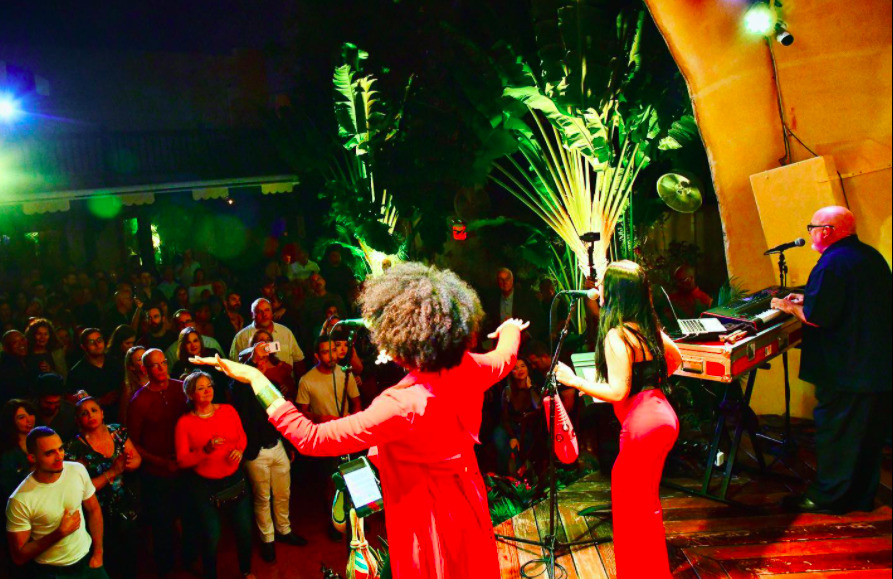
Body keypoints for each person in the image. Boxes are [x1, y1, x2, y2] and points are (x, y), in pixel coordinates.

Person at [193, 262, 527, 579]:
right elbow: (505, 356)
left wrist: (256, 379)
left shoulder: (400, 404)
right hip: (467, 500)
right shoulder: (472, 367)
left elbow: (310, 437)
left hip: (424, 513)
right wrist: (511, 329)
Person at [552, 260, 681, 579]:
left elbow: (617, 391)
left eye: (603, 284)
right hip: (663, 416)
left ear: (615, 292)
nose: (598, 289)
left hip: (641, 425)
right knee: (647, 507)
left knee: (628, 510)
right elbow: (676, 359)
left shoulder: (618, 335)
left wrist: (574, 381)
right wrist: (651, 383)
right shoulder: (647, 326)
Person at [770, 206, 892, 514]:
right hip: (875, 367)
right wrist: (807, 299)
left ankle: (828, 498)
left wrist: (787, 306)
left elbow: (817, 317)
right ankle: (860, 498)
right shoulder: (869, 256)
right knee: (867, 437)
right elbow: (853, 301)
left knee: (837, 435)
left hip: (845, 370)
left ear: (826, 231)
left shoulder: (831, 263)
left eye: (812, 227)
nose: (810, 232)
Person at [231, 342, 306, 563]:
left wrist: (288, 445)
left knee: (283, 493)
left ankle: (284, 530)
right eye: (257, 361)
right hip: (256, 452)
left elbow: (282, 417)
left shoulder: (271, 385)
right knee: (262, 498)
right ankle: (268, 540)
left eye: (263, 360)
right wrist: (252, 359)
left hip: (277, 446)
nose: (261, 364)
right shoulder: (239, 388)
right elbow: (240, 385)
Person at [175, 372, 254, 579]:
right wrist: (205, 450)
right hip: (206, 486)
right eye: (200, 388)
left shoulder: (228, 410)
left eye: (209, 386)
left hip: (234, 479)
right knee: (211, 535)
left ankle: (246, 570)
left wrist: (239, 450)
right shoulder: (185, 423)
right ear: (190, 394)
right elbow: (182, 461)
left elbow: (242, 436)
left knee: (244, 529)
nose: (207, 391)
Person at [6, 427, 108, 578]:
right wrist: (59, 533)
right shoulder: (20, 500)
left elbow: (94, 509)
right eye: (49, 453)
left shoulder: (77, 470)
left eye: (60, 449)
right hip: (52, 572)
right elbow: (19, 556)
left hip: (88, 562)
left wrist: (98, 553)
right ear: (33, 458)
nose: (59, 456)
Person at [126, 348, 192, 576]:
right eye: (155, 365)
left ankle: (190, 560)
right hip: (157, 474)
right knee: (162, 525)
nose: (161, 368)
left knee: (190, 518)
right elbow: (133, 442)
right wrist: (161, 463)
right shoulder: (139, 400)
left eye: (163, 362)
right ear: (145, 369)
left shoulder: (180, 388)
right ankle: (166, 568)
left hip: (185, 467)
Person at [66, 394, 142, 577]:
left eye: (94, 410)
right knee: (110, 560)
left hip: (126, 505)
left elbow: (137, 458)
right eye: (84, 413)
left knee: (132, 556)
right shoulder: (74, 448)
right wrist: (113, 471)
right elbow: (80, 491)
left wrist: (129, 463)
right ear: (78, 420)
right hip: (98, 512)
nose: (90, 415)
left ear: (102, 413)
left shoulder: (117, 431)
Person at [229, 298, 305, 378]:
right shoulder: (241, 337)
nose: (264, 315)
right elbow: (233, 367)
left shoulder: (285, 332)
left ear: (272, 312)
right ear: (252, 315)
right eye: (259, 311)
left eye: (267, 310)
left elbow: (298, 360)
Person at [492, 358, 543, 476]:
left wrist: (530, 388)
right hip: (509, 427)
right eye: (515, 368)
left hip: (527, 428)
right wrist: (512, 437)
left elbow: (538, 406)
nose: (519, 370)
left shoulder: (534, 389)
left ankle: (522, 477)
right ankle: (506, 478)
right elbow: (505, 417)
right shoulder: (508, 391)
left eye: (522, 366)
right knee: (500, 441)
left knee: (522, 446)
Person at [67, 329, 124, 422]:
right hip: (93, 419)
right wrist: (99, 401)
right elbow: (72, 400)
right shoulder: (76, 372)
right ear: (83, 347)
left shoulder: (116, 364)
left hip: (119, 415)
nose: (97, 344)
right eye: (91, 342)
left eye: (99, 340)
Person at [172, 328, 227, 402]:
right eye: (188, 342)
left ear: (200, 341)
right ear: (183, 345)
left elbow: (225, 380)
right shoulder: (179, 366)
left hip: (218, 400)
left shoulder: (212, 355)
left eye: (195, 341)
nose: (193, 345)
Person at [0, 399, 36, 504]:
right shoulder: (7, 452)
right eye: (21, 417)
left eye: (30, 414)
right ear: (11, 421)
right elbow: (8, 485)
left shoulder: (42, 440)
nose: (29, 420)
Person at [34, 374, 79, 442]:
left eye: (57, 402)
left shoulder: (71, 413)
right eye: (48, 403)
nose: (52, 407)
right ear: (39, 398)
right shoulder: (29, 411)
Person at [118, 346, 147, 425]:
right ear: (132, 367)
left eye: (146, 356)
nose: (145, 360)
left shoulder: (162, 379)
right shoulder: (130, 389)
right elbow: (124, 418)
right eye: (140, 359)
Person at [0, 330, 31, 405]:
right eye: (15, 342)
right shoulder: (6, 369)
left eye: (22, 339)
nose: (21, 344)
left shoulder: (25, 360)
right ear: (6, 347)